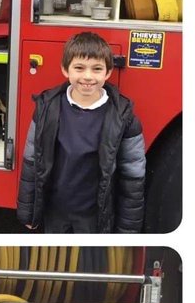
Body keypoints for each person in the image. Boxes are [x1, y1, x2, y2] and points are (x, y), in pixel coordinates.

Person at [16, 31, 145, 233]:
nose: (87, 76)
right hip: (55, 212)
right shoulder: (46, 109)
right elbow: (32, 161)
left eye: (96, 69)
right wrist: (28, 211)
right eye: (79, 68)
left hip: (94, 217)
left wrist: (127, 231)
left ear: (108, 72)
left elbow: (133, 176)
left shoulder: (124, 118)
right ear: (65, 70)